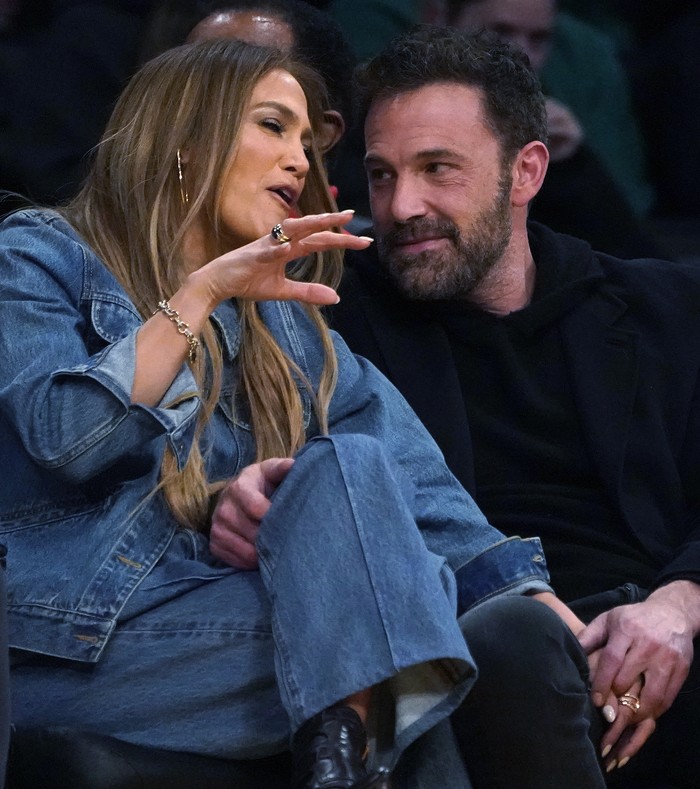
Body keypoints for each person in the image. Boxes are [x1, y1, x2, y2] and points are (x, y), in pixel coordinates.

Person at [0, 37, 612, 789]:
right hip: (69, 643)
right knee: (413, 644)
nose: (301, 160)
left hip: (236, 639)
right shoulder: (39, 254)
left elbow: (430, 501)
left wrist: (581, 642)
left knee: (354, 471)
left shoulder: (291, 330)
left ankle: (339, 755)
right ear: (186, 141)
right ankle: (347, 737)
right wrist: (202, 293)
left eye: (307, 141)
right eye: (273, 126)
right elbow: (67, 436)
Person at [326, 26, 700, 787]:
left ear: (526, 170)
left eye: (438, 169)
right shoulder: (335, 324)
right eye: (382, 174)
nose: (403, 206)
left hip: (664, 620)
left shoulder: (662, 307)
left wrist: (680, 604)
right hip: (481, 646)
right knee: (512, 639)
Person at [439, 0, 662, 259]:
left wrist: (572, 165)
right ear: (440, 19)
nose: (522, 55)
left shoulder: (554, 140)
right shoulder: (397, 123)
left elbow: (632, 262)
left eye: (538, 38)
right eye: (500, 32)